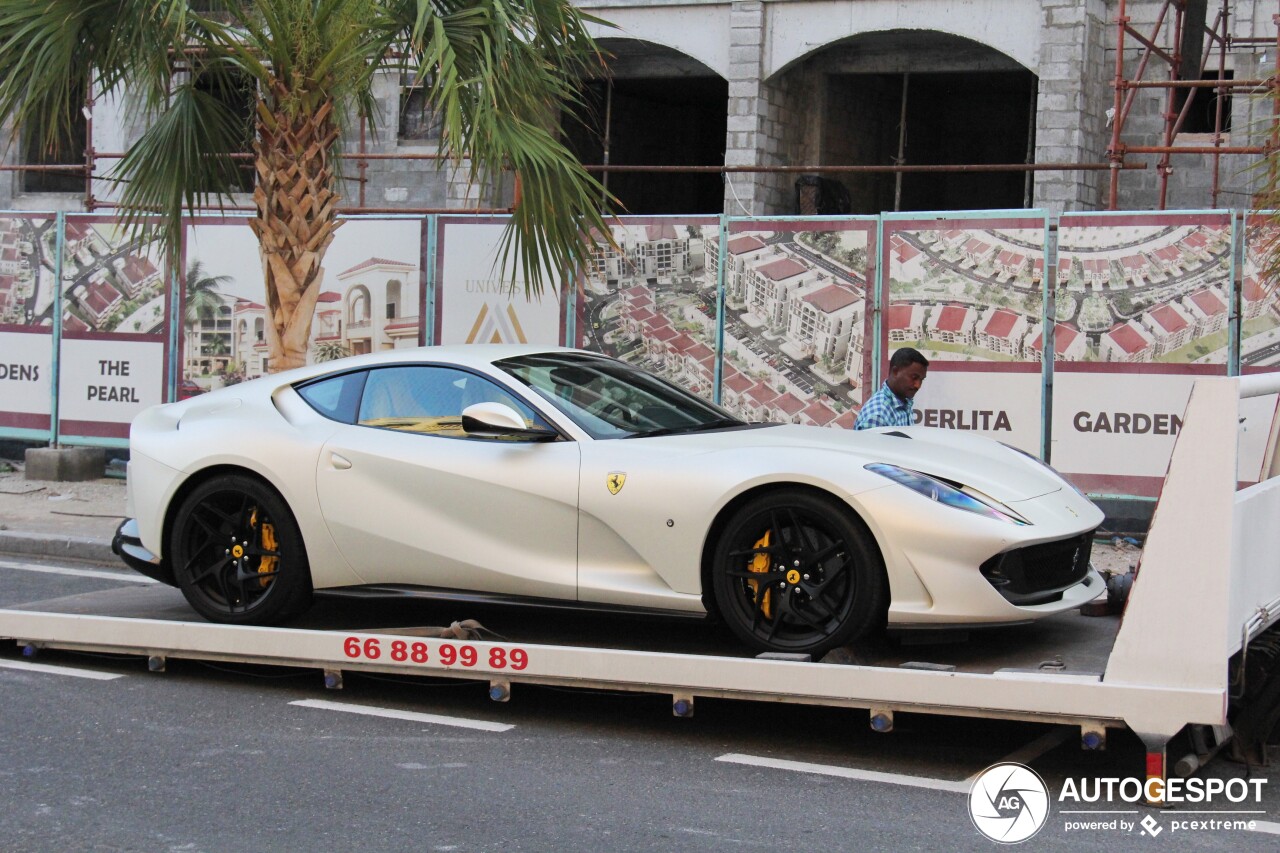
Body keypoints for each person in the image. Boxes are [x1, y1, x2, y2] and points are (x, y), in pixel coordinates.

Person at [854, 347, 928, 430]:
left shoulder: (903, 403)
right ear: (895, 372)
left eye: (921, 380)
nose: (918, 385)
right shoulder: (878, 415)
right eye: (914, 377)